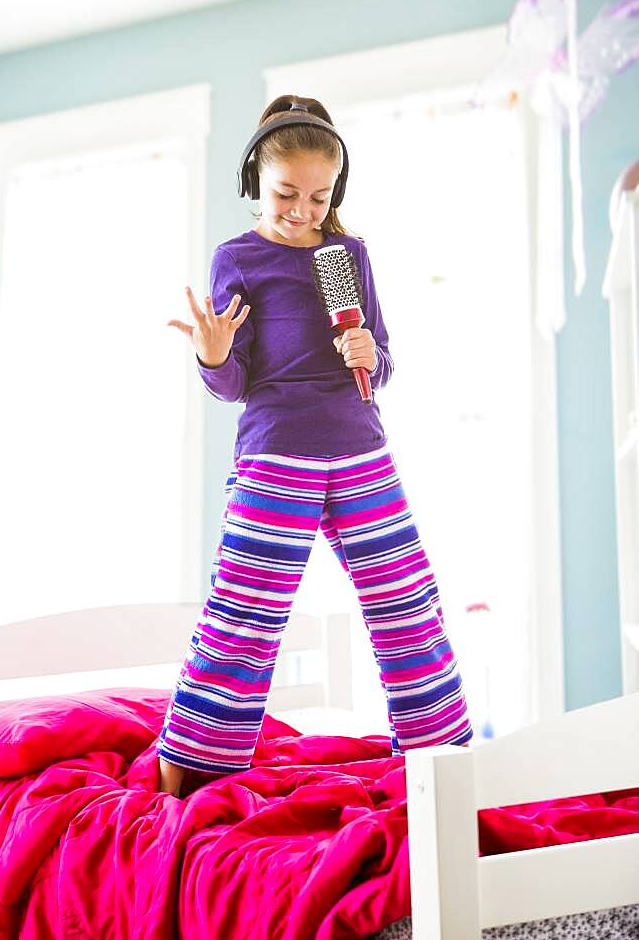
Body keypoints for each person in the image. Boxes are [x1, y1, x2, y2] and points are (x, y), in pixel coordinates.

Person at [157, 94, 473, 798]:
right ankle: (191, 763)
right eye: (285, 194)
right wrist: (214, 355)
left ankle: (441, 759)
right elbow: (234, 384)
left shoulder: (348, 255)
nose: (301, 210)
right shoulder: (236, 258)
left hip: (360, 448)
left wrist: (372, 352)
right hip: (275, 454)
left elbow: (381, 361)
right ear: (255, 184)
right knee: (245, 608)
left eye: (318, 196)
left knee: (407, 601)